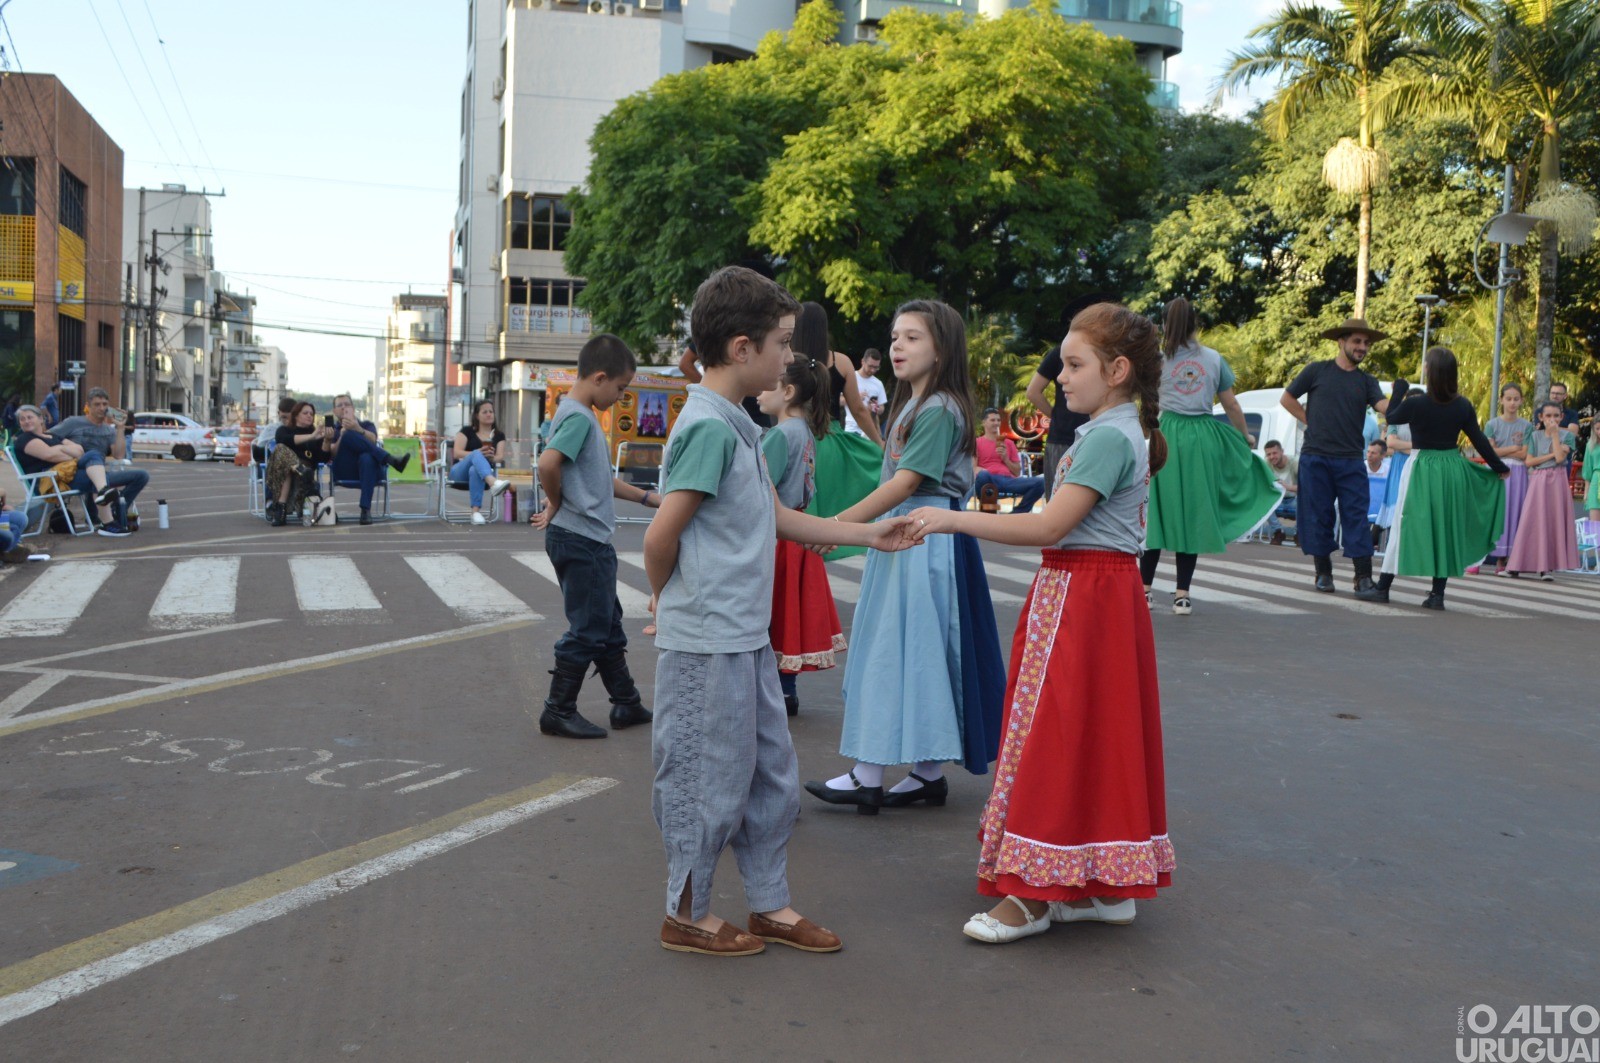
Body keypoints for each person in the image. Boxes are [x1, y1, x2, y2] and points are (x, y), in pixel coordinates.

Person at [642, 265, 914, 957]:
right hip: (708, 639)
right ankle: (686, 910)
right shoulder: (709, 427)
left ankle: (768, 902)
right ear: (741, 348)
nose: (790, 357)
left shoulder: (735, 425)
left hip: (743, 635)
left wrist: (866, 534)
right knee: (705, 780)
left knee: (770, 776)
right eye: (782, 341)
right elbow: (660, 535)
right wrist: (666, 597)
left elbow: (776, 518)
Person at [907, 301, 1174, 942]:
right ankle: (1099, 888)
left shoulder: (1109, 436)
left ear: (1116, 370)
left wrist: (950, 517)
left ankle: (1031, 895)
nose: (1061, 379)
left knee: (1051, 737)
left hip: (1082, 595)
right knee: (1089, 736)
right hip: (1099, 597)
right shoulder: (1114, 430)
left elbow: (1051, 526)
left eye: (1073, 366)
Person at [805, 299, 1005, 815]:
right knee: (915, 656)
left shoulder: (938, 408)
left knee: (897, 654)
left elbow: (906, 484)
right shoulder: (919, 405)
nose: (898, 345)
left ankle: (870, 774)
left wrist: (841, 525)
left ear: (942, 350)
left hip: (923, 540)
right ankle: (923, 773)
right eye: (896, 336)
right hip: (914, 539)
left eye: (913, 337)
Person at [528, 335, 661, 738]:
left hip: (588, 539)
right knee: (588, 628)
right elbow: (548, 463)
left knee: (607, 624)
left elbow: (601, 480)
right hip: (580, 537)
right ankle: (558, 709)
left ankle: (626, 703)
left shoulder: (578, 415)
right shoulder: (580, 417)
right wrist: (555, 501)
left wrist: (648, 498)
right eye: (620, 389)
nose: (620, 398)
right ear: (600, 378)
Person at [1139, 297, 1280, 615]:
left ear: (1164, 324)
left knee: (1158, 512)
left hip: (1165, 434)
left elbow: (1146, 400)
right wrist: (1245, 436)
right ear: (1196, 324)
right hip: (1202, 437)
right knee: (1194, 512)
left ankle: (1144, 589)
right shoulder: (1214, 359)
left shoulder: (1155, 359)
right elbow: (1231, 405)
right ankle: (1182, 595)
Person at [1370, 348, 1508, 609]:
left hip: (1422, 466)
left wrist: (1399, 388)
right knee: (1444, 528)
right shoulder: (1463, 405)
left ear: (1430, 372)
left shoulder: (1416, 402)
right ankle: (1437, 595)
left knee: (1403, 523)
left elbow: (1392, 416)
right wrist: (1498, 466)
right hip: (1451, 468)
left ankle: (1383, 587)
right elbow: (1478, 440)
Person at [758, 356, 846, 717]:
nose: (761, 393)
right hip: (801, 530)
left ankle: (773, 691)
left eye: (770, 385)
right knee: (787, 615)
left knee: (771, 615)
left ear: (788, 392)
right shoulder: (805, 431)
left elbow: (763, 489)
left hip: (780, 534)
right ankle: (786, 690)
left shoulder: (780, 435)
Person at [1280, 317, 1392, 598]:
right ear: (1341, 342)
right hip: (1315, 456)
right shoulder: (1317, 371)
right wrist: (1310, 420)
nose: (1362, 347)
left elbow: (1384, 407)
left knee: (1356, 515)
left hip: (1351, 460)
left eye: (1366, 343)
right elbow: (1287, 398)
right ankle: (1323, 573)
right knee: (1318, 515)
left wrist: (1398, 402)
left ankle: (1363, 578)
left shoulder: (1366, 381)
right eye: (1357, 341)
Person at [791, 303, 886, 561]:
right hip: (829, 441)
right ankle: (835, 541)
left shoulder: (785, 358)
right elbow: (859, 409)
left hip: (792, 440)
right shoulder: (840, 361)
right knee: (834, 503)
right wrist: (880, 444)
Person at [1027, 295, 1112, 498]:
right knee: (1059, 503)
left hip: (1087, 435)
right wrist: (1056, 415)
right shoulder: (1059, 354)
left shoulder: (1101, 354)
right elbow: (1032, 392)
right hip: (1065, 438)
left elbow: (1033, 392)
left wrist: (1057, 416)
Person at [12, 404, 127, 536]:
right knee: (95, 476)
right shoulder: (24, 439)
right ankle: (108, 522)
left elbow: (80, 450)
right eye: (22, 419)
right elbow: (49, 455)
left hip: (66, 473)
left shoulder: (51, 436)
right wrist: (65, 450)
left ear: (41, 419)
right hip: (48, 480)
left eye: (29, 417)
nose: (26, 421)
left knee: (94, 454)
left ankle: (103, 495)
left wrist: (62, 450)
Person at [1505, 401, 1580, 580]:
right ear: (1541, 417)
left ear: (1562, 417)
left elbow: (1562, 458)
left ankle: (1546, 567)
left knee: (1551, 521)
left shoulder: (1566, 436)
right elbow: (1529, 461)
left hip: (1558, 479)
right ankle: (1517, 564)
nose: (1552, 419)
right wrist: (1552, 454)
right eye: (1548, 416)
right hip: (1539, 479)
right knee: (1530, 520)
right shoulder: (1535, 436)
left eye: (1556, 416)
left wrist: (1555, 437)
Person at [55, 388, 148, 531]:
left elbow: (118, 455)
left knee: (142, 476)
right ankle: (104, 517)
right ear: (88, 406)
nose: (102, 408)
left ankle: (118, 509)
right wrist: (67, 445)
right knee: (94, 456)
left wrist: (120, 428)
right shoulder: (73, 422)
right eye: (97, 404)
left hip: (100, 477)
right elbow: (49, 437)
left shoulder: (109, 430)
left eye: (105, 404)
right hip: (75, 472)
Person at [328, 394, 410, 525]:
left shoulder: (367, 425)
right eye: (340, 405)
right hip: (345, 469)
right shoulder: (332, 430)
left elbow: (373, 440)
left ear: (353, 408)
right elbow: (331, 454)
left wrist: (357, 428)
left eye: (347, 404)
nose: (344, 408)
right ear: (334, 411)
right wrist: (342, 436)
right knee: (348, 435)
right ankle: (390, 460)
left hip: (369, 471)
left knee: (367, 458)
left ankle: (365, 510)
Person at [1483, 383, 1532, 577]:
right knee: (1495, 511)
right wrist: (1513, 449)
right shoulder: (1492, 424)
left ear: (1521, 401)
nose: (1512, 403)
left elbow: (1525, 453)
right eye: (1508, 398)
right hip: (1496, 470)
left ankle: (1507, 559)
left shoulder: (1526, 426)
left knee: (1515, 512)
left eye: (1516, 399)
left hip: (1518, 473)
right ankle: (1482, 555)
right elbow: (1489, 451)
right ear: (1501, 399)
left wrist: (1503, 451)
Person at [267, 401, 331, 526]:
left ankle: (281, 509)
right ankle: (297, 467)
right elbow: (284, 440)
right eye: (305, 413)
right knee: (281, 449)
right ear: (295, 415)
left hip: (304, 477)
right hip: (284, 473)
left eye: (311, 414)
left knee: (290, 469)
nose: (309, 416)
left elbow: (322, 458)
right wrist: (311, 436)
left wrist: (327, 441)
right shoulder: (284, 430)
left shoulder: (316, 435)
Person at [450, 399, 512, 525]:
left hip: (480, 473)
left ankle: (475, 512)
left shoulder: (499, 435)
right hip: (459, 472)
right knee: (477, 454)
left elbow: (499, 457)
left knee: (475, 470)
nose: (489, 414)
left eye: (491, 411)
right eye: (485, 412)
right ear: (477, 416)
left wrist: (490, 457)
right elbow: (457, 453)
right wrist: (477, 453)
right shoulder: (467, 431)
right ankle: (493, 482)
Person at [973, 408, 1045, 515]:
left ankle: (1016, 514)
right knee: (983, 475)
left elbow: (1016, 472)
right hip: (988, 480)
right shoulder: (977, 443)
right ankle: (989, 515)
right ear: (984, 422)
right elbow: (974, 468)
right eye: (992, 420)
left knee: (1042, 482)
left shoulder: (1009, 443)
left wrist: (1006, 459)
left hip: (1008, 481)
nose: (996, 423)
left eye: (998, 420)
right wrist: (987, 473)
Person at [843, 348, 887, 438]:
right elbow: (839, 401)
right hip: (852, 430)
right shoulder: (851, 377)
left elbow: (882, 408)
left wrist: (876, 408)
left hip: (870, 432)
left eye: (876, 367)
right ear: (863, 362)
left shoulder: (878, 384)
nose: (873, 370)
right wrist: (855, 398)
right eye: (870, 366)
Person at [1263, 440, 1299, 545]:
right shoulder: (1267, 464)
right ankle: (1278, 532)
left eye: (1275, 453)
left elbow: (1308, 486)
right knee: (1264, 501)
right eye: (1268, 454)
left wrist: (1288, 487)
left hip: (1294, 499)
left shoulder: (1295, 463)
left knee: (1305, 500)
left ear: (1282, 451)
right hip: (1277, 499)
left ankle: (1299, 533)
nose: (1272, 457)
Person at [252, 397, 297, 465]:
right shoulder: (272, 428)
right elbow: (260, 450)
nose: (287, 421)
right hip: (271, 465)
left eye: (288, 417)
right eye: (284, 418)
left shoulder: (270, 428)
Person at [1583, 420, 1600, 524]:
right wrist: (1586, 493)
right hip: (1595, 482)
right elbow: (1587, 470)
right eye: (1597, 429)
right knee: (1595, 525)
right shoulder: (1590, 445)